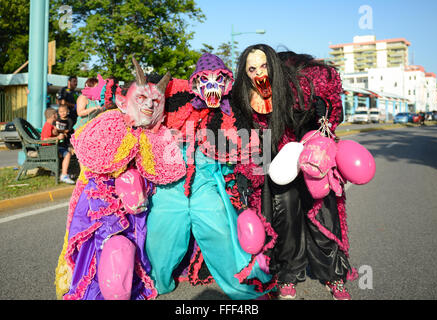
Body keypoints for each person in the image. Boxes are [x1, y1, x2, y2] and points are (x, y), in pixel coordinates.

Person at [231, 44, 357, 300]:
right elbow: (251, 142)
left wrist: (326, 112)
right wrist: (245, 172)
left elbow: (332, 110)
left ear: (275, 66)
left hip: (312, 154)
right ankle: (288, 275)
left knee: (322, 214)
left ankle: (334, 275)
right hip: (278, 161)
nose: (258, 73)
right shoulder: (245, 97)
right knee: (284, 217)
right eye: (252, 69)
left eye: (264, 66)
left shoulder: (304, 84)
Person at [144, 53, 274, 300]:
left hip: (205, 184)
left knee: (220, 232)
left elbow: (254, 147)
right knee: (160, 232)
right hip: (171, 186)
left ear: (227, 83)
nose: (212, 86)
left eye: (219, 79)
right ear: (195, 83)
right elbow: (147, 95)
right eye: (206, 80)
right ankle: (157, 283)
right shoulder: (178, 100)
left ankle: (240, 286)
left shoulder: (234, 110)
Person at [54, 58, 185, 300]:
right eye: (142, 99)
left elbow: (161, 172)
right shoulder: (110, 124)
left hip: (138, 209)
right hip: (103, 204)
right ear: (122, 102)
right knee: (114, 252)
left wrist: (137, 180)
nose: (148, 105)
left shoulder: (160, 134)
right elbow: (95, 167)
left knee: (132, 251)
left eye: (156, 101)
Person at [41, 107, 75, 184]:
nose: (57, 115)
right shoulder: (47, 126)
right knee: (67, 154)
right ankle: (64, 175)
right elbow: (45, 139)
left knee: (65, 150)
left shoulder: (50, 125)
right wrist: (58, 137)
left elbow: (51, 134)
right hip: (49, 148)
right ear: (53, 116)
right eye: (56, 114)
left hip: (52, 147)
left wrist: (56, 132)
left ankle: (58, 172)